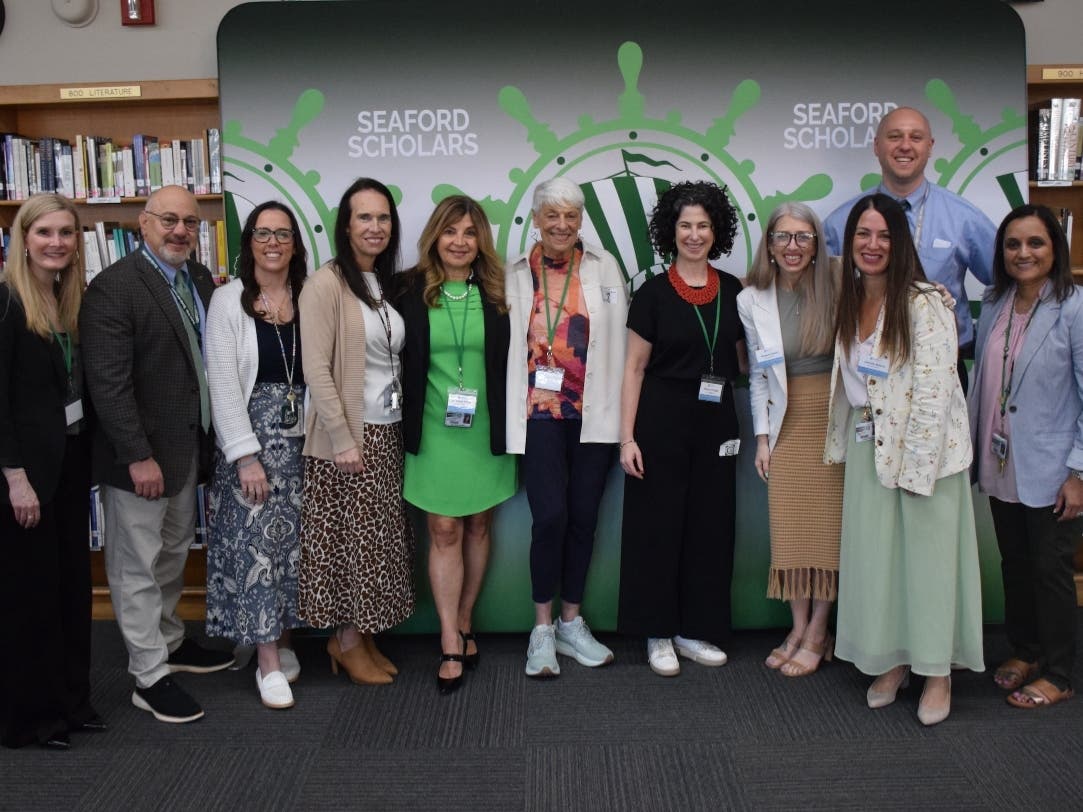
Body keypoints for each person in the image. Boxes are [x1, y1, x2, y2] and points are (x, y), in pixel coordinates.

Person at [824, 193, 984, 726]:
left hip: (926, 460)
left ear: (901, 242)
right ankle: (892, 661)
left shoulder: (924, 301)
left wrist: (916, 471)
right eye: (862, 235)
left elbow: (937, 392)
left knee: (930, 567)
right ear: (849, 243)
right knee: (881, 565)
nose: (872, 245)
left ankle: (937, 673)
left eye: (884, 235)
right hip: (871, 450)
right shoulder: (848, 297)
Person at [81, 185, 234, 725]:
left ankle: (169, 640)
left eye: (191, 223)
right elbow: (108, 383)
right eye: (169, 220)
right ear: (143, 224)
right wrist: (136, 456)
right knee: (135, 565)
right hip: (142, 460)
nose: (180, 231)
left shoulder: (194, 279)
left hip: (186, 449)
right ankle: (148, 676)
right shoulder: (113, 289)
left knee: (172, 553)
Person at [618, 180, 745, 677]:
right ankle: (658, 631)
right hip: (661, 423)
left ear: (717, 232)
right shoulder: (651, 293)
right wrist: (627, 438)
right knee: (658, 527)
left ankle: (695, 628)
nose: (694, 235)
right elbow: (633, 369)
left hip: (717, 425)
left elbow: (742, 359)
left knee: (710, 528)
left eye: (703, 226)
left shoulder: (734, 290)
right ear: (671, 231)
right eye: (685, 225)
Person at [505, 177, 628, 678]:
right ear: (535, 219)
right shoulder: (514, 274)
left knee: (582, 518)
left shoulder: (604, 268)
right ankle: (542, 630)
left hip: (593, 413)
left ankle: (572, 623)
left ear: (581, 221)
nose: (561, 225)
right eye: (551, 215)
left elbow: (620, 341)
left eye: (571, 216)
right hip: (539, 415)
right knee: (550, 518)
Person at [397, 195, 516, 694]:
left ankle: (465, 620)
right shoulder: (406, 290)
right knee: (443, 527)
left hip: (487, 427)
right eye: (451, 232)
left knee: (479, 522)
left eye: (470, 233)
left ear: (480, 241)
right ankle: (449, 636)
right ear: (434, 237)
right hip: (433, 429)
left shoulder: (499, 291)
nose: (460, 242)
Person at [298, 177, 414, 685]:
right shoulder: (325, 283)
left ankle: (361, 636)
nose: (375, 227)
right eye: (364, 217)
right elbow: (316, 369)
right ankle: (344, 641)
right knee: (349, 542)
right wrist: (343, 438)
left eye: (383, 218)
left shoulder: (384, 285)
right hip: (348, 438)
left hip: (387, 430)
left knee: (377, 542)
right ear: (346, 226)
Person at [968, 204, 1083, 709]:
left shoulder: (1075, 307)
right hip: (1000, 460)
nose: (1024, 253)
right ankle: (1026, 650)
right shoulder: (995, 302)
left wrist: (1079, 471)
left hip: (1054, 466)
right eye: (1013, 244)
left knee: (1050, 566)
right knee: (1014, 562)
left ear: (1055, 248)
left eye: (1035, 243)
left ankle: (1059, 672)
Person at [0, 194, 103, 749]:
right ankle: (31, 719)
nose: (56, 243)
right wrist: (15, 478)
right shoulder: (7, 303)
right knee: (30, 599)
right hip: (26, 480)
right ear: (24, 238)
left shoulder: (66, 301)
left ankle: (72, 702)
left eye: (66, 233)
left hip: (67, 469)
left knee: (71, 590)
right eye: (45, 233)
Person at [204, 202, 309, 709]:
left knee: (292, 551)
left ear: (295, 243)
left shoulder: (308, 296)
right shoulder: (228, 301)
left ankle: (283, 640)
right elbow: (223, 385)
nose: (273, 242)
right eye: (263, 233)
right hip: (253, 442)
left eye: (283, 233)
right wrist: (246, 456)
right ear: (248, 242)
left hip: (304, 442)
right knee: (259, 552)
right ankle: (267, 661)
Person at [736, 202, 843, 677]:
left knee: (828, 535)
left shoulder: (841, 284)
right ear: (770, 245)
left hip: (836, 416)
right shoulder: (751, 298)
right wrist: (762, 438)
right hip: (786, 420)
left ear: (817, 244)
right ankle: (797, 627)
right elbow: (759, 376)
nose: (793, 246)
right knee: (791, 531)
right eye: (783, 237)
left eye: (803, 237)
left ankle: (819, 629)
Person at [823, 106, 995, 390]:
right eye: (894, 136)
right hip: (864, 372)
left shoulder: (964, 218)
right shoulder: (841, 222)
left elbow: (1008, 280)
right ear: (877, 146)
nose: (905, 145)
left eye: (915, 137)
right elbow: (819, 291)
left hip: (942, 370)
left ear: (930, 147)